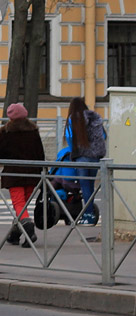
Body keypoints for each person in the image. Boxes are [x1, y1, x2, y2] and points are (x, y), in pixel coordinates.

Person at [0, 102, 46, 247]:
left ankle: (28, 229)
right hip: (32, 174)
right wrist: (43, 172)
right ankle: (14, 234)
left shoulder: (7, 133)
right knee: (23, 205)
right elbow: (40, 153)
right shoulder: (33, 131)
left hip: (14, 175)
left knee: (19, 204)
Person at [65, 96, 107, 225]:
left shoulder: (73, 118)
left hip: (82, 156)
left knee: (85, 186)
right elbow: (104, 135)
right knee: (90, 185)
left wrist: (73, 153)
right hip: (95, 157)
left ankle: (88, 215)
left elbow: (69, 136)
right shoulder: (95, 118)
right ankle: (91, 214)